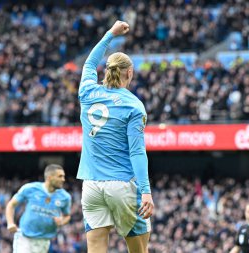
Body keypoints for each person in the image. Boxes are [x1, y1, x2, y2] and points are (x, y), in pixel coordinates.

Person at [77, 20, 154, 253]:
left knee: (96, 248)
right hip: (121, 185)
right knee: (139, 248)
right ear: (129, 73)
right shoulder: (134, 106)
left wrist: (110, 33)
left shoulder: (87, 91)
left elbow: (89, 62)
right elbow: (137, 151)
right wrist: (146, 191)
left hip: (91, 185)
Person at [5, 164, 72, 253]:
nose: (63, 179)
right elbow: (11, 205)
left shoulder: (65, 197)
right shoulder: (30, 188)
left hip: (44, 240)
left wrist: (62, 222)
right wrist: (10, 223)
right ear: (49, 177)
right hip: (25, 237)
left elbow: (67, 216)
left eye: (63, 176)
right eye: (60, 176)